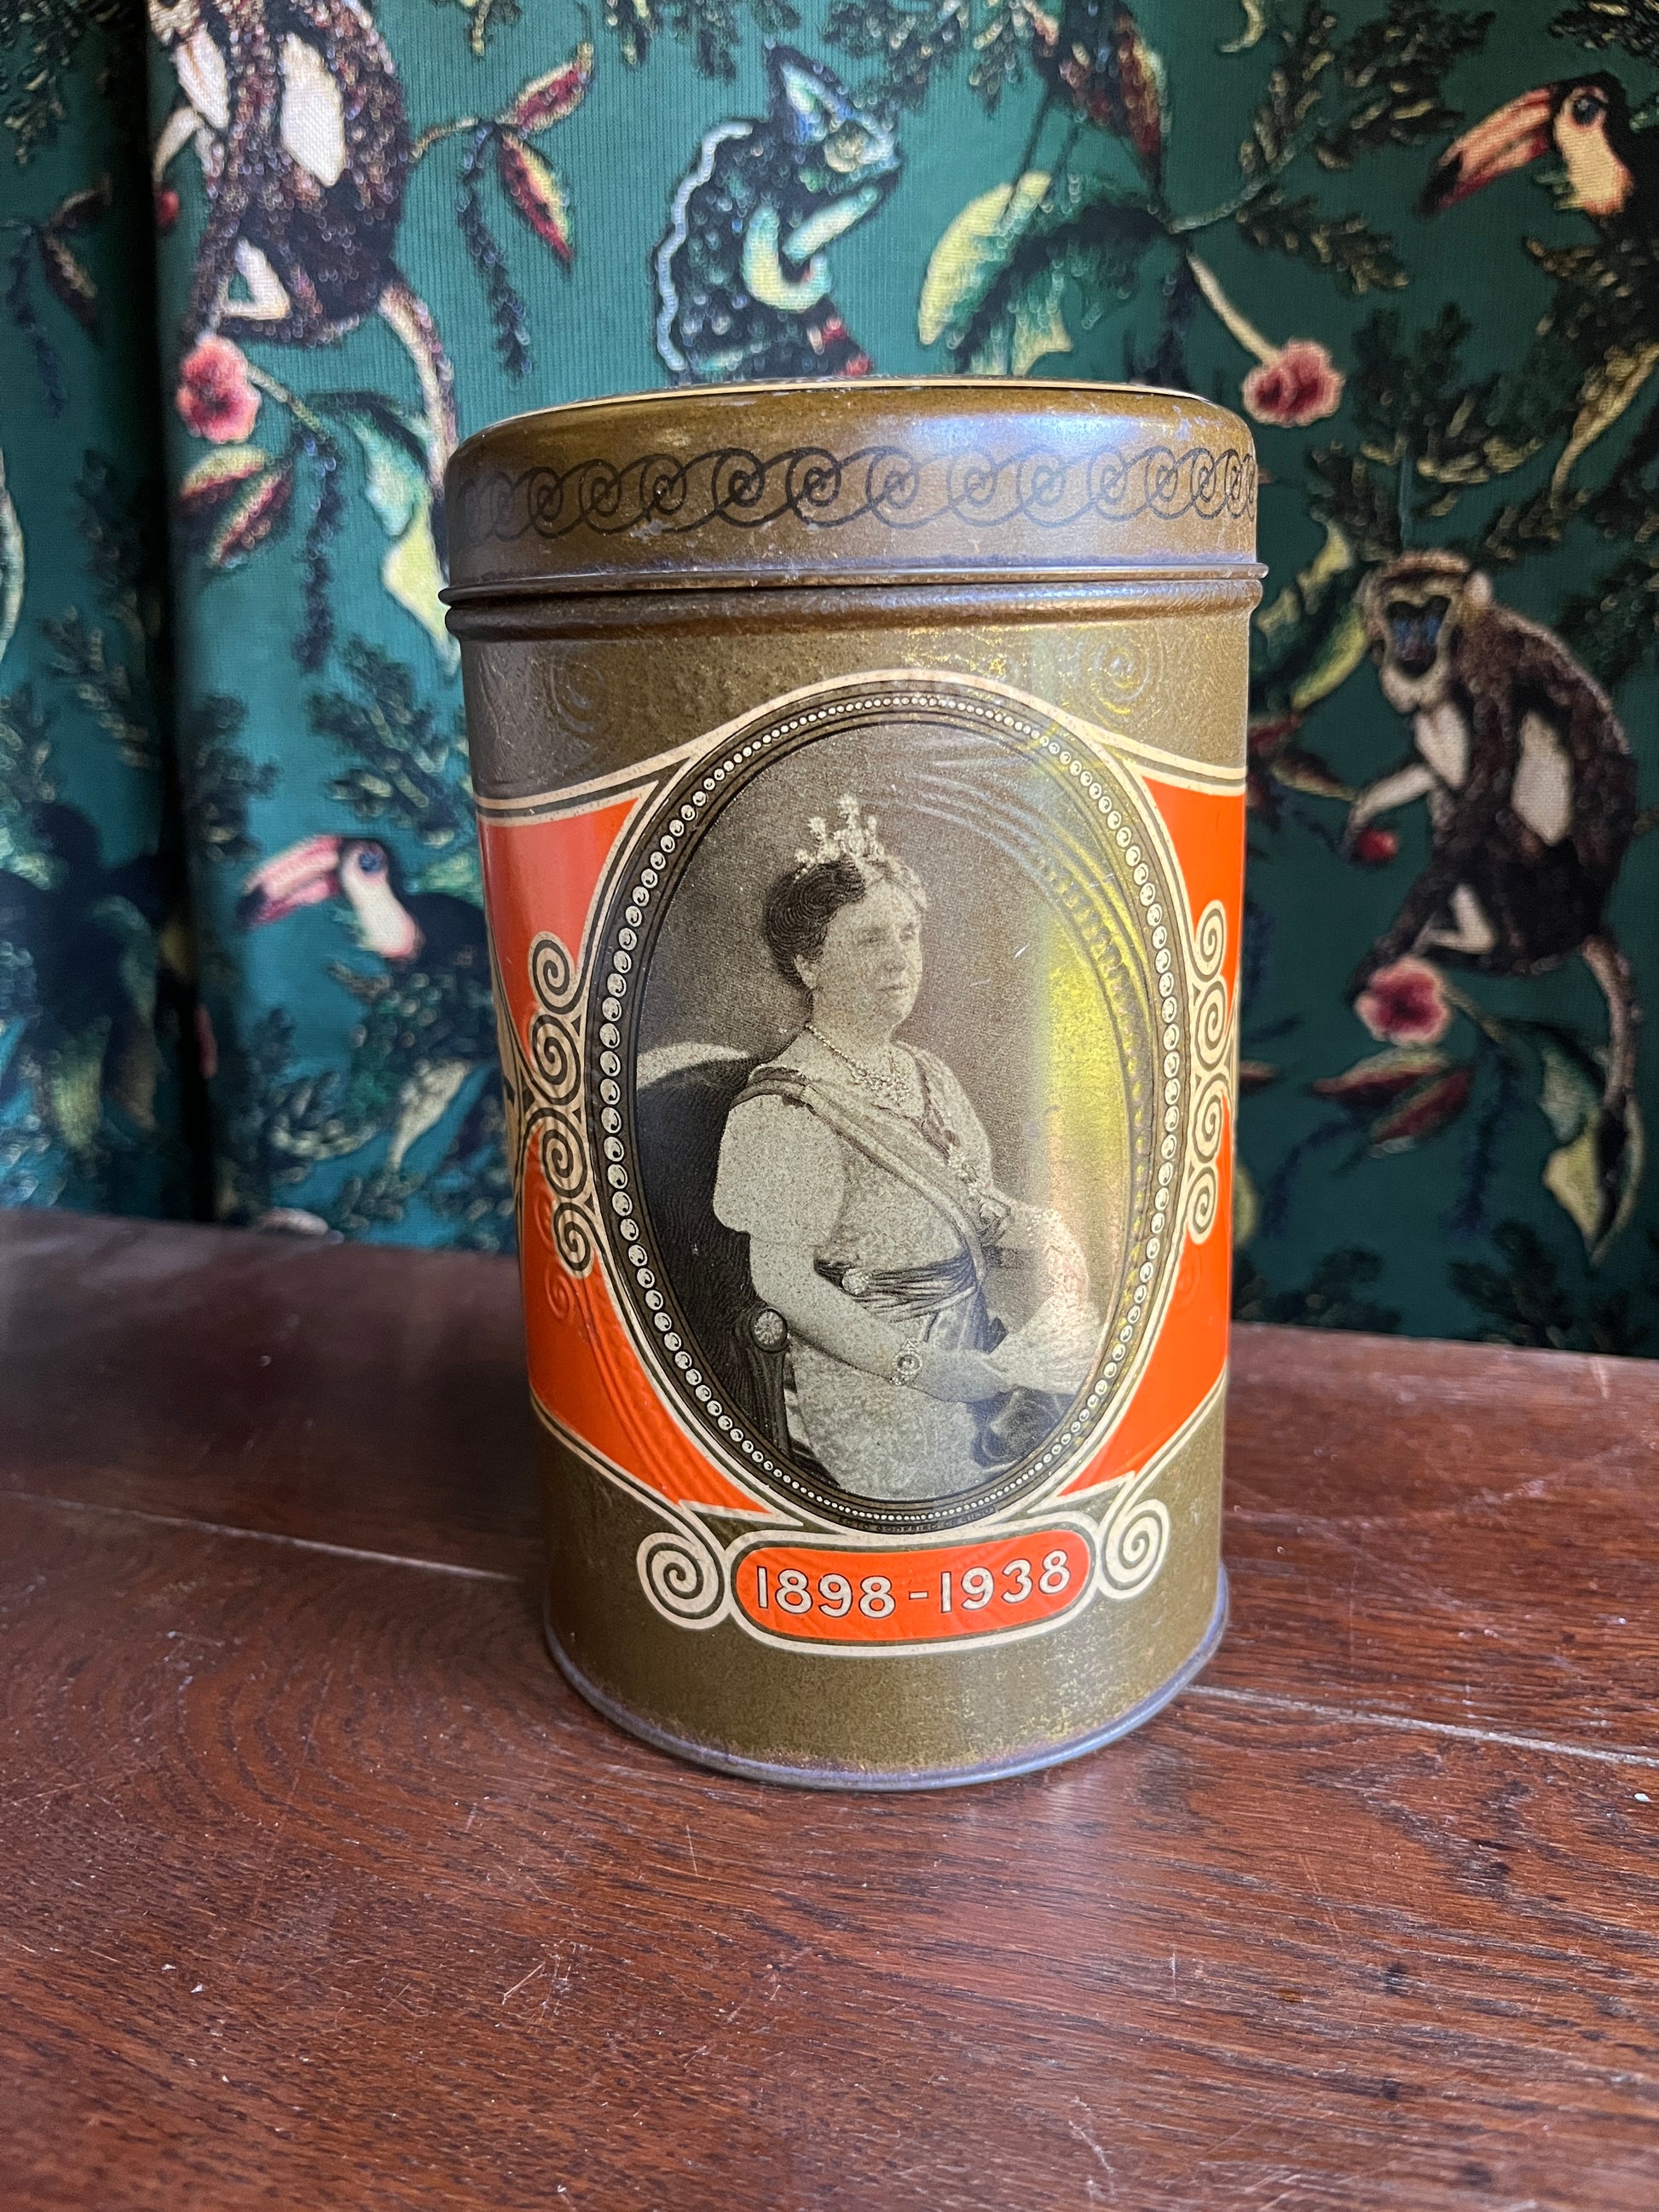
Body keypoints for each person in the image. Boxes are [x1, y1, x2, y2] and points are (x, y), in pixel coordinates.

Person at [711, 794, 1101, 1504]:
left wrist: (1039, 1225)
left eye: (909, 934)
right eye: (869, 940)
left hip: (975, 1340)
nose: (899, 959)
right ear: (809, 963)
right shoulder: (785, 1109)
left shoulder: (927, 1074)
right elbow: (783, 1281)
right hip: (871, 1383)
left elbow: (973, 1201)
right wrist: (923, 1368)